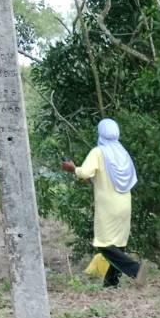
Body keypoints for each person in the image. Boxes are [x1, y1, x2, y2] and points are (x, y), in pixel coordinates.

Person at [61, 120, 140, 288]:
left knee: (103, 244)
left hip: (108, 205)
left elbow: (85, 172)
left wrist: (72, 168)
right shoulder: (122, 152)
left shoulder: (99, 152)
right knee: (118, 243)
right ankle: (111, 283)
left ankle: (136, 271)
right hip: (125, 203)